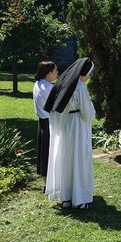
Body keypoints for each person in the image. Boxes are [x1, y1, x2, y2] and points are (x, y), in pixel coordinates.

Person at [43, 58, 95, 209]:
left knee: (67, 160)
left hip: (66, 125)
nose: (90, 76)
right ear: (83, 73)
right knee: (79, 160)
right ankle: (79, 200)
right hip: (78, 126)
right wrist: (93, 110)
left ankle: (66, 197)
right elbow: (87, 113)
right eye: (89, 73)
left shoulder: (64, 85)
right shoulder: (80, 88)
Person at [33, 60, 58, 179]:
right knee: (49, 151)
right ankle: (49, 181)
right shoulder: (48, 87)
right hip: (49, 122)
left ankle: (46, 180)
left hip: (42, 122)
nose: (57, 73)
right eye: (55, 71)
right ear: (49, 73)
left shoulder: (38, 83)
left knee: (44, 151)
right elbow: (56, 107)